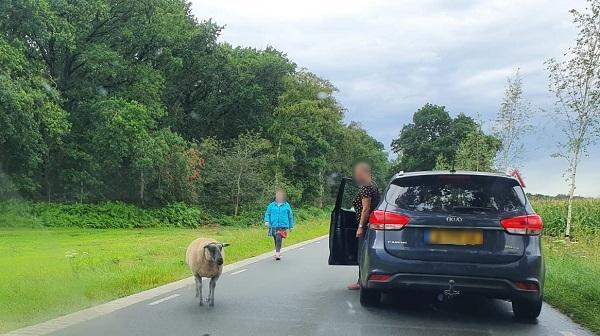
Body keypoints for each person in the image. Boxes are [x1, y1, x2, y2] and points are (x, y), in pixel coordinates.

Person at [347, 162, 380, 290]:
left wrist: (361, 226)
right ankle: (362, 279)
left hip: (366, 225)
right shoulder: (373, 185)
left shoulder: (365, 187)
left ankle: (361, 281)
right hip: (372, 223)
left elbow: (365, 209)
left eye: (358, 173)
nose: (357, 176)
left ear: (365, 173)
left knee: (361, 253)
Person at [264, 190, 294, 260]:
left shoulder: (287, 205)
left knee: (278, 237)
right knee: (276, 238)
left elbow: (290, 216)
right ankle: (278, 251)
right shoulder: (271, 205)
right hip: (273, 225)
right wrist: (267, 221)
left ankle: (277, 253)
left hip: (283, 225)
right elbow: (267, 213)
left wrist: (291, 226)